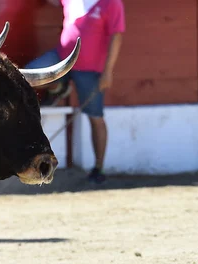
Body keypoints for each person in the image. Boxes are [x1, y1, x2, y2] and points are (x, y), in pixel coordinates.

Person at [25, 0, 125, 183]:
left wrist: (108, 72)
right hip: (61, 59)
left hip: (90, 69)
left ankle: (98, 168)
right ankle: (59, 87)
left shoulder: (111, 3)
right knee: (26, 77)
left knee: (95, 117)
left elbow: (116, 36)